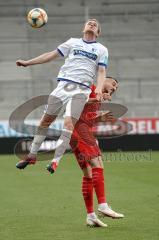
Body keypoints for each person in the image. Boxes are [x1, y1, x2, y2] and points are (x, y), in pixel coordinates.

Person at [16, 18, 111, 171]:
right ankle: (32, 156)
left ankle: (55, 161)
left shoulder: (101, 49)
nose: (92, 23)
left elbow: (101, 71)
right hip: (63, 86)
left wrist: (99, 88)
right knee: (45, 121)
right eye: (89, 22)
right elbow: (51, 55)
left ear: (98, 33)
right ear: (83, 29)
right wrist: (28, 62)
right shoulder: (72, 42)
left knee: (68, 124)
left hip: (82, 89)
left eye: (95, 24)